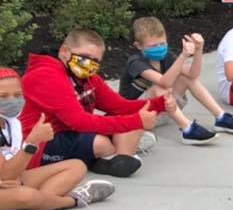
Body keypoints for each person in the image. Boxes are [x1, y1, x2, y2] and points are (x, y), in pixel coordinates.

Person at [19, 28, 168, 178]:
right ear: (64, 51)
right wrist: (136, 121)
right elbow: (79, 122)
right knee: (102, 143)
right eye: (84, 57)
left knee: (129, 117)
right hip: (42, 141)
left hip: (71, 132)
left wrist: (160, 104)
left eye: (95, 60)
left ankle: (118, 157)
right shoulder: (46, 76)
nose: (89, 63)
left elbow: (119, 106)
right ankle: (115, 154)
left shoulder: (85, 76)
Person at [1, 68, 113, 210]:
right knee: (27, 196)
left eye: (18, 95)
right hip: (6, 181)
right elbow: (6, 176)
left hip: (7, 182)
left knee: (76, 166)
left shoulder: (12, 123)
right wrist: (32, 142)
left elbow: (12, 173)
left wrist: (13, 177)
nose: (13, 101)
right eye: (3, 97)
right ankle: (73, 200)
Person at [120, 17, 233, 140]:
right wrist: (183, 56)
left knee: (186, 78)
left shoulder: (166, 56)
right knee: (160, 88)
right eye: (153, 46)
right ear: (138, 46)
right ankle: (187, 128)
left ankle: (220, 116)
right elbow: (165, 82)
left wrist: (198, 51)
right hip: (135, 116)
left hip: (163, 111)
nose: (159, 48)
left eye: (162, 43)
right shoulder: (135, 63)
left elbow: (193, 75)